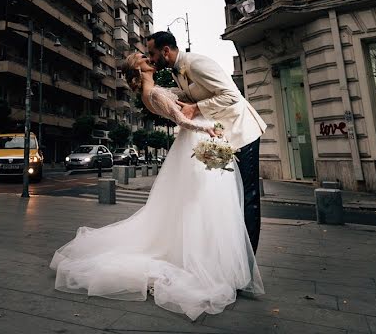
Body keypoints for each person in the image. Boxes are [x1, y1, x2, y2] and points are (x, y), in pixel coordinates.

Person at [50, 52, 264, 320]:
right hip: (195, 135)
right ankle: (207, 259)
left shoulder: (153, 90)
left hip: (189, 141)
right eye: (142, 58)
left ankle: (209, 255)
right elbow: (181, 118)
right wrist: (205, 130)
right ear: (138, 69)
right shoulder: (153, 93)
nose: (148, 58)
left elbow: (183, 101)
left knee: (196, 201)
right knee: (201, 201)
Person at [145, 30, 265, 253]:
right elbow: (192, 96)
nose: (151, 59)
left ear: (166, 51)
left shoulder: (196, 63)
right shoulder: (176, 72)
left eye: (152, 54)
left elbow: (231, 95)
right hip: (221, 136)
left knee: (248, 197)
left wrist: (197, 108)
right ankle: (232, 255)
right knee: (231, 197)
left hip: (242, 131)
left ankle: (248, 260)